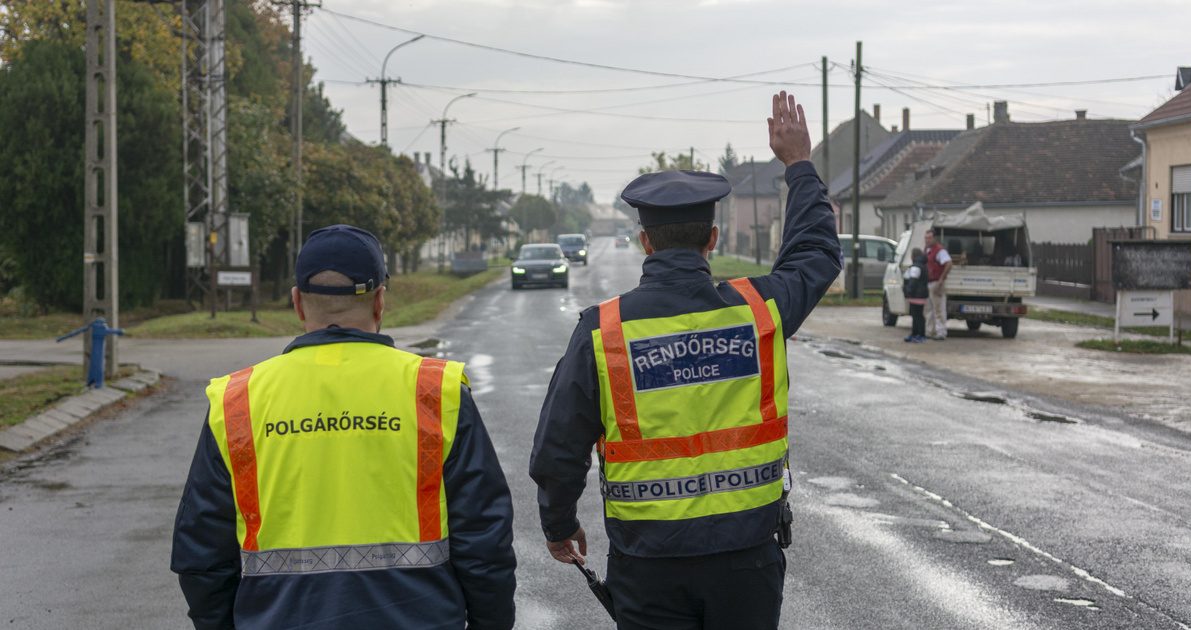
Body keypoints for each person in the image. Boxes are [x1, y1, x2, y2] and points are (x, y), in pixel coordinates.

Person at [528, 91, 841, 630]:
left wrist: (559, 524)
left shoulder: (602, 331)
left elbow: (559, 445)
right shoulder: (757, 312)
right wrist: (799, 166)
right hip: (748, 562)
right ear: (713, 238)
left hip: (648, 565)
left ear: (644, 241)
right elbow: (815, 253)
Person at [171, 225, 517, 630]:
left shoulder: (238, 401)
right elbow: (484, 538)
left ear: (297, 303)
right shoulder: (435, 392)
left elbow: (202, 553)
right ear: (380, 302)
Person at [924, 229, 953, 340]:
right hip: (929, 282)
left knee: (938, 309)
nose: (927, 240)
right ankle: (930, 331)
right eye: (926, 238)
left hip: (936, 282)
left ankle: (941, 332)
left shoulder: (940, 251)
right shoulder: (927, 250)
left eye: (929, 238)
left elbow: (949, 264)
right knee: (929, 310)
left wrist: (941, 280)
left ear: (935, 238)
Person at [903, 247, 928, 343]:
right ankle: (915, 334)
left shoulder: (916, 266)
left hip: (916, 295)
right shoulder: (922, 265)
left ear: (913, 256)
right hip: (920, 295)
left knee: (917, 315)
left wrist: (908, 291)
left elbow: (913, 281)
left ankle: (920, 335)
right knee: (916, 315)